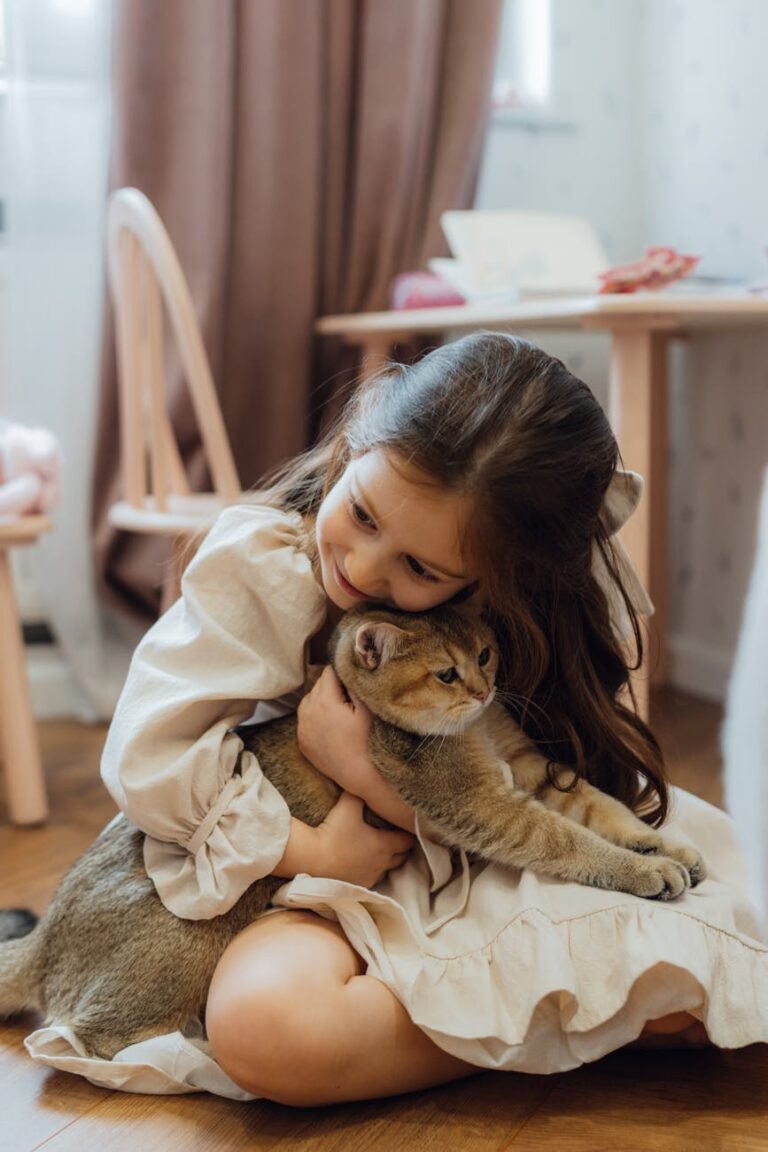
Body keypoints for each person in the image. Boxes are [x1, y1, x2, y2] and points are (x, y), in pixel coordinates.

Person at [25, 334, 768, 1102]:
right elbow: (148, 756)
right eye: (363, 513)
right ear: (353, 448)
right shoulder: (269, 571)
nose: (365, 569)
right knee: (268, 1026)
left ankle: (572, 1002)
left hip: (478, 859)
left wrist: (358, 769)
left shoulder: (488, 605)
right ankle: (554, 1022)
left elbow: (529, 795)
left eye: (420, 569)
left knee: (713, 944)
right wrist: (306, 846)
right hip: (312, 878)